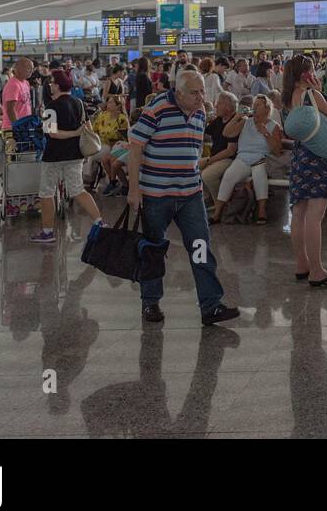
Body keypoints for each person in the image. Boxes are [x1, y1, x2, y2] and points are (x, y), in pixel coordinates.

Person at [128, 68, 239, 324]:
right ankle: (151, 303)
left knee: (201, 247)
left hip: (190, 193)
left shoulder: (200, 110)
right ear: (178, 92)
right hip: (157, 193)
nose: (201, 97)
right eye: (194, 92)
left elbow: (194, 147)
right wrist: (134, 190)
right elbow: (135, 147)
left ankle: (210, 305)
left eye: (202, 91)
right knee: (154, 250)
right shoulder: (157, 108)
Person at [283, 56, 327, 288]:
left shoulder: (288, 98)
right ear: (305, 74)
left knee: (298, 214)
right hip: (318, 156)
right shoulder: (312, 95)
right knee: (315, 216)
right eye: (312, 69)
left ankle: (302, 264)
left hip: (299, 157)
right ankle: (317, 270)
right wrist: (321, 93)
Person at [28, 70, 104, 244]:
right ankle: (99, 222)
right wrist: (77, 133)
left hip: (53, 156)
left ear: (57, 85)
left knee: (47, 193)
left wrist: (72, 132)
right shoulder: (79, 102)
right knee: (77, 189)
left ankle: (47, 232)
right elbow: (88, 128)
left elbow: (52, 134)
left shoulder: (50, 107)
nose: (49, 86)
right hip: (75, 154)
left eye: (52, 83)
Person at [211, 94, 281, 225]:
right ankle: (217, 213)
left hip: (261, 157)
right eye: (253, 105)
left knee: (259, 173)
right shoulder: (246, 122)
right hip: (243, 158)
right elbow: (227, 133)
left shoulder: (273, 126)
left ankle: (261, 211)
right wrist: (238, 116)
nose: (254, 107)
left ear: (267, 108)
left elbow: (277, 151)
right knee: (229, 176)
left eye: (258, 105)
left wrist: (266, 133)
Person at [89, 94, 130, 193]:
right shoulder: (103, 116)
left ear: (118, 106)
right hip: (103, 143)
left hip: (119, 145)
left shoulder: (122, 119)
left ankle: (117, 183)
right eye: (108, 102)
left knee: (110, 159)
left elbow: (127, 136)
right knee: (104, 159)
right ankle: (113, 181)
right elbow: (93, 131)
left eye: (111, 102)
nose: (108, 104)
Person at [1, 57, 34, 132]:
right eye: (28, 68)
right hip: (13, 127)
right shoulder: (13, 85)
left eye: (32, 68)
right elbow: (10, 109)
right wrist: (18, 127)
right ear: (18, 69)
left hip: (24, 125)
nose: (31, 71)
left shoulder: (26, 83)